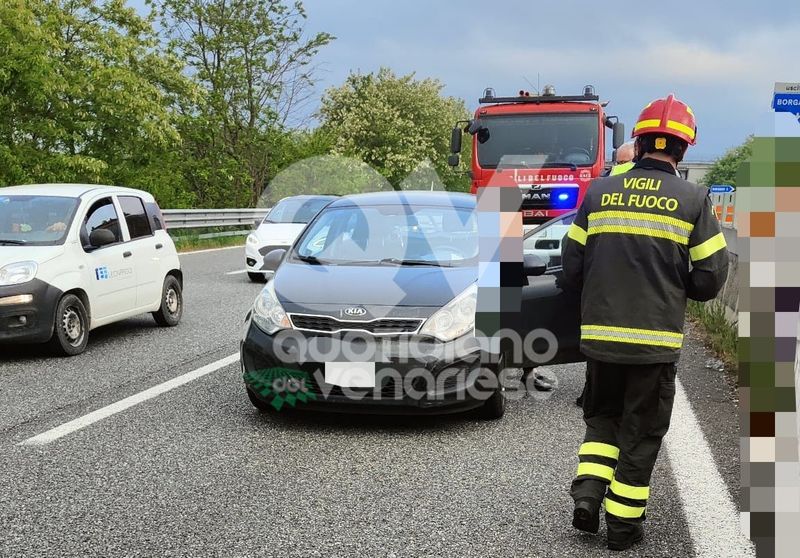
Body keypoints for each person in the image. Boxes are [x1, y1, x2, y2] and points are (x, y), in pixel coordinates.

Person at [561, 94, 729, 551]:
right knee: (642, 433)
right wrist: (675, 285)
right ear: (683, 149)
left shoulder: (597, 193)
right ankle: (622, 527)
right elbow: (710, 278)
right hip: (653, 345)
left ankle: (588, 496)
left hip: (599, 341)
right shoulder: (693, 199)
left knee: (601, 421)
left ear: (636, 142)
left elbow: (571, 266)